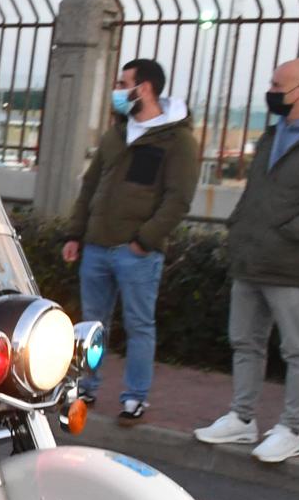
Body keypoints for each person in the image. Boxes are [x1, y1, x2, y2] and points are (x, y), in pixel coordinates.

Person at [194, 58, 299, 463]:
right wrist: (242, 229)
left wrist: (289, 232)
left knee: (298, 351)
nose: (269, 91)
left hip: (295, 266)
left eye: (276, 84)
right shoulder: (275, 133)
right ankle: (242, 417)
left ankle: (291, 429)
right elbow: (259, 192)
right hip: (252, 258)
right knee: (244, 342)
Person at [61, 58, 199, 421]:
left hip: (136, 252)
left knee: (139, 325)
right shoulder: (116, 133)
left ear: (146, 88)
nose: (118, 91)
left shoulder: (178, 140)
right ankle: (84, 389)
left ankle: (134, 397)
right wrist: (76, 233)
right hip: (95, 246)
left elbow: (178, 199)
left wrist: (144, 240)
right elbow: (90, 186)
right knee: (92, 324)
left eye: (124, 84)